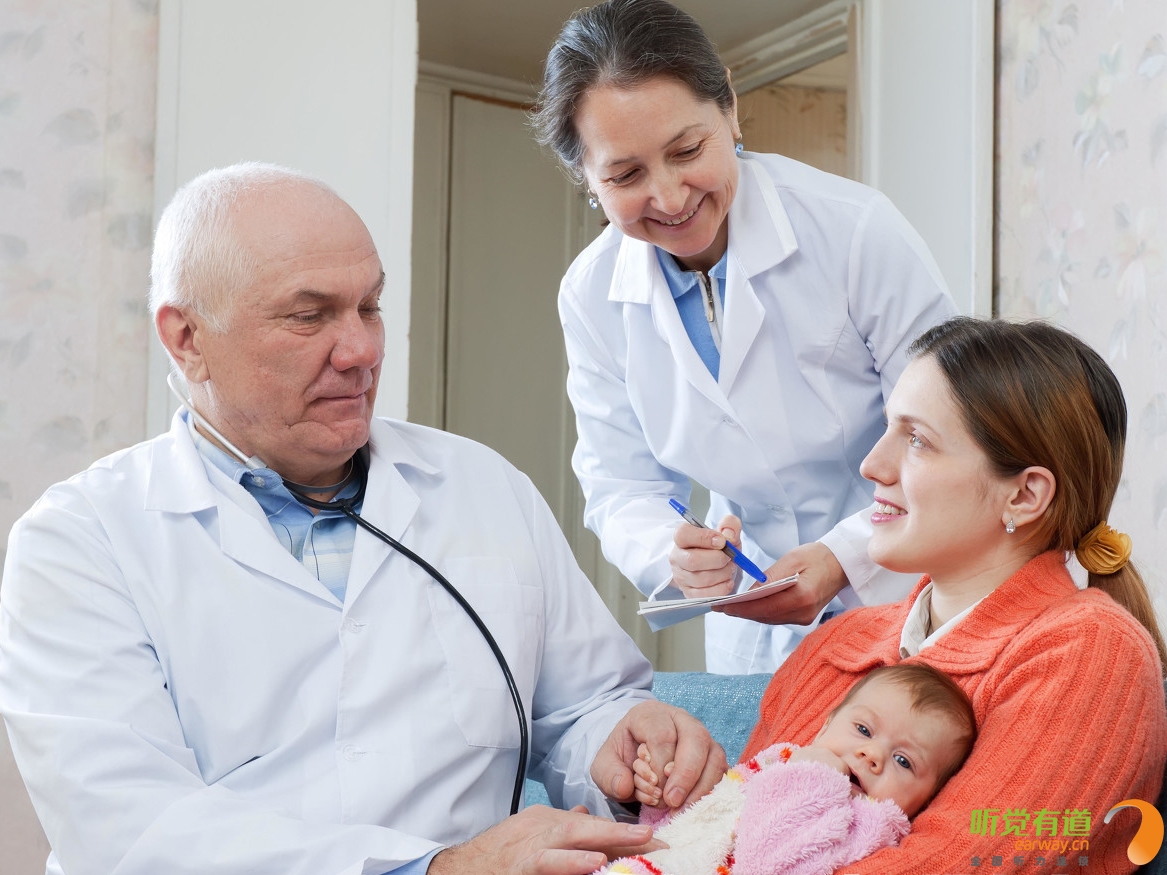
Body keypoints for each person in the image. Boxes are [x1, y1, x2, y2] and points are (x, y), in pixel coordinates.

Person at [0, 163, 728, 875]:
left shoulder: (480, 486)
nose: (361, 351)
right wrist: (437, 869)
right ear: (187, 339)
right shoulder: (79, 541)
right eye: (308, 316)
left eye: (369, 307)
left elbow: (583, 705)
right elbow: (130, 832)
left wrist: (623, 745)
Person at [532, 0, 959, 674]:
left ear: (728, 108)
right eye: (625, 175)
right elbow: (620, 483)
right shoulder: (590, 294)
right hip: (754, 619)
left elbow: (949, 429)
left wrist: (843, 556)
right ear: (585, 177)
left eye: (686, 151)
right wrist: (673, 551)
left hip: (905, 579)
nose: (670, 197)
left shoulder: (853, 231)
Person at [740, 317, 1167, 873]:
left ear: (1025, 495)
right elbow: (724, 833)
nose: (872, 465)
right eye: (889, 428)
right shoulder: (837, 644)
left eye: (917, 440)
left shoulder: (1092, 655)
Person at [601, 664, 976, 875]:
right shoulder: (777, 760)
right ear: (825, 727)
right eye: (863, 730)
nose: (872, 754)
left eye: (904, 761)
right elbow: (705, 820)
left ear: (928, 798)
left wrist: (812, 778)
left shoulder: (870, 828)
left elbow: (767, 863)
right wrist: (662, 798)